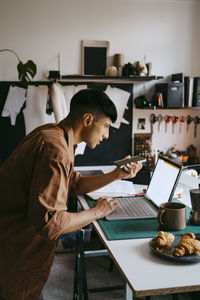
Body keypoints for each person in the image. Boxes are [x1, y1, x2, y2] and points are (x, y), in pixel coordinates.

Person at [0, 88, 142, 300]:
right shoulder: (55, 151)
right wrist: (97, 211)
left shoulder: (54, 135)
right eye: (105, 126)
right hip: (15, 254)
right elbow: (51, 224)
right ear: (87, 120)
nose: (106, 135)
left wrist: (117, 174)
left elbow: (72, 184)